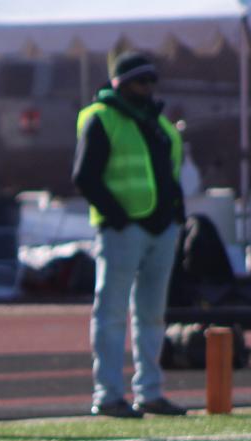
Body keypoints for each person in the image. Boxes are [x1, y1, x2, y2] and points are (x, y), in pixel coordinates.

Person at [72, 51, 188, 419]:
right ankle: (107, 394)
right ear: (120, 83)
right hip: (124, 230)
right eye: (140, 81)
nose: (148, 88)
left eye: (152, 81)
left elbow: (170, 174)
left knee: (152, 315)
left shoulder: (158, 122)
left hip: (160, 227)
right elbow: (84, 176)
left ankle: (150, 391)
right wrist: (119, 217)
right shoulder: (102, 118)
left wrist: (176, 216)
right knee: (112, 314)